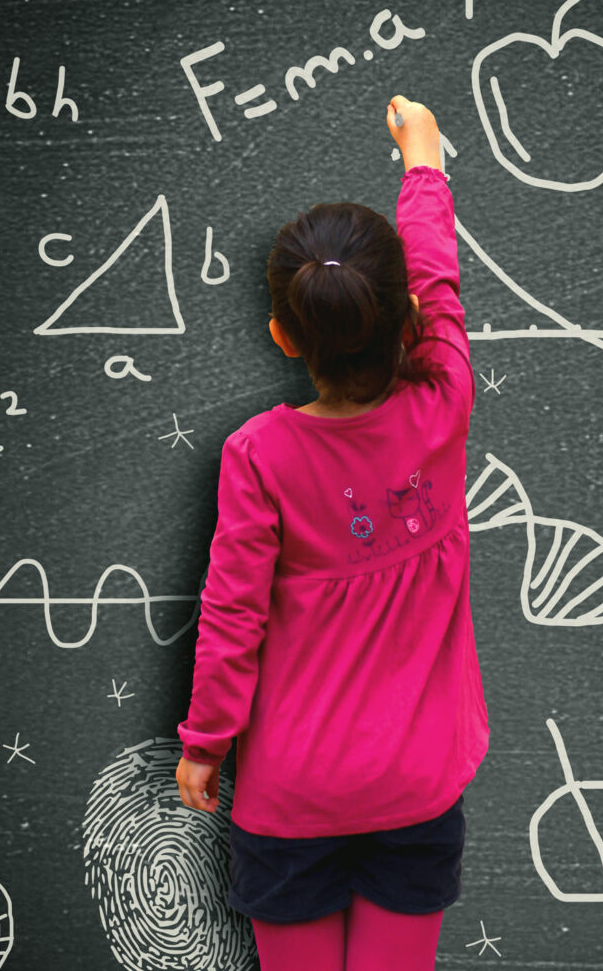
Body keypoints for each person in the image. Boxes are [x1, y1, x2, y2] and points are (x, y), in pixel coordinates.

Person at [174, 94, 487, 971]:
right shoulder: (443, 405)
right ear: (407, 327)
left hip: (293, 795)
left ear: (281, 335)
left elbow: (233, 616)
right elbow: (438, 281)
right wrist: (422, 159)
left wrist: (205, 744)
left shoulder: (259, 456)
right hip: (418, 783)